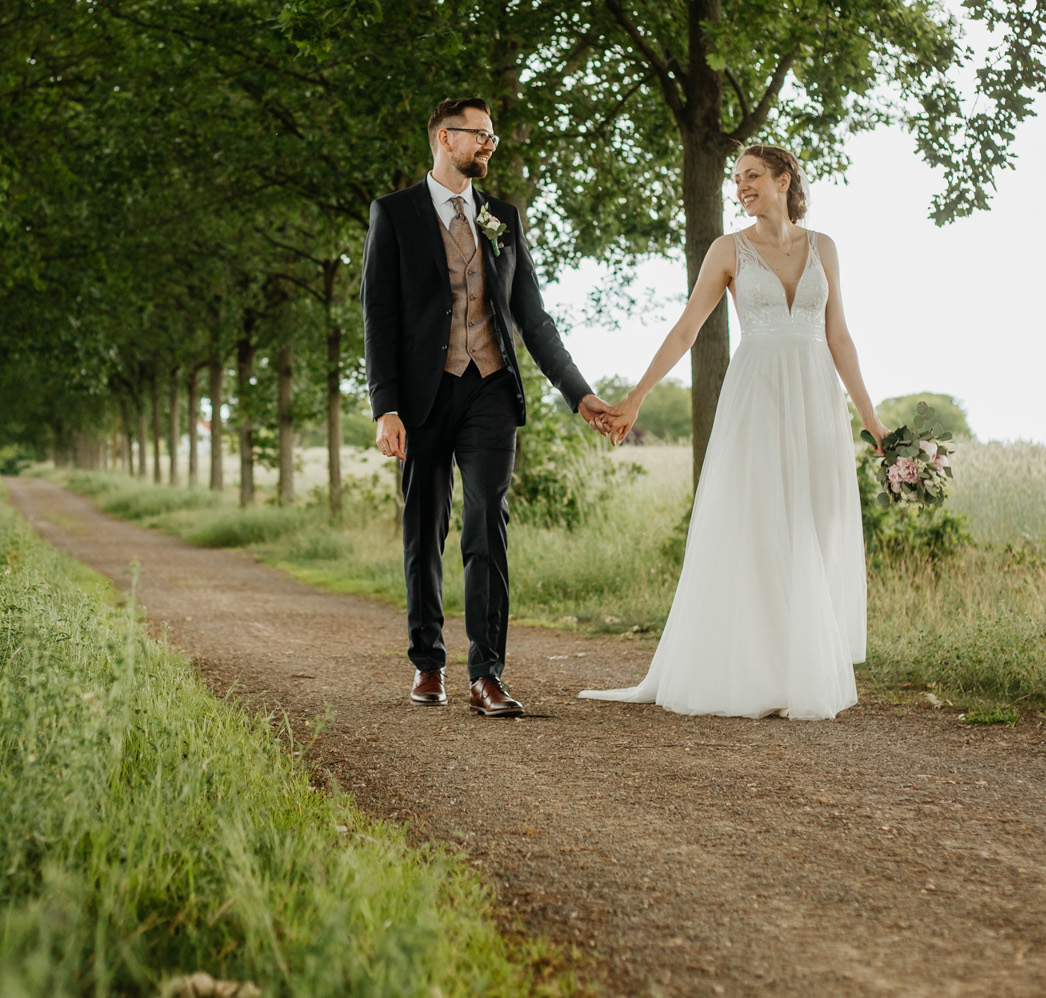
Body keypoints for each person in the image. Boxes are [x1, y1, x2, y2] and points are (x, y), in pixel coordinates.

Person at [581, 144, 884, 720]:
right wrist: (635, 397)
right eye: (736, 178)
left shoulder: (826, 248)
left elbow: (839, 336)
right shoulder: (728, 250)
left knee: (815, 520)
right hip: (758, 395)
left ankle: (802, 668)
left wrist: (871, 420)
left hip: (815, 396)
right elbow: (687, 329)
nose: (741, 187)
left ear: (783, 178)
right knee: (761, 519)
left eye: (751, 176)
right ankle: (753, 671)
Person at [362, 96, 612, 716]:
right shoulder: (393, 215)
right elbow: (380, 317)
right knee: (426, 527)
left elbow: (532, 316)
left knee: (486, 524)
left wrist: (578, 393)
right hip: (423, 394)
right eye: (481, 136)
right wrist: (384, 407)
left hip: (491, 389)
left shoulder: (503, 217)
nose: (490, 145)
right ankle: (428, 664)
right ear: (446, 139)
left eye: (492, 136)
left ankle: (487, 674)